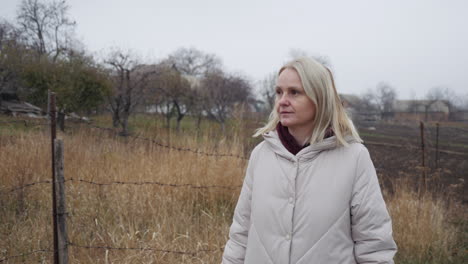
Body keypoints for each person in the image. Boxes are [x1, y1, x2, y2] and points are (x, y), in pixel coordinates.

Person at [222, 57, 397, 264]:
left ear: (320, 97)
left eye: (294, 92)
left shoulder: (354, 158)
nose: (283, 101)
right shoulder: (261, 155)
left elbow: (374, 245)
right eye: (279, 92)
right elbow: (240, 234)